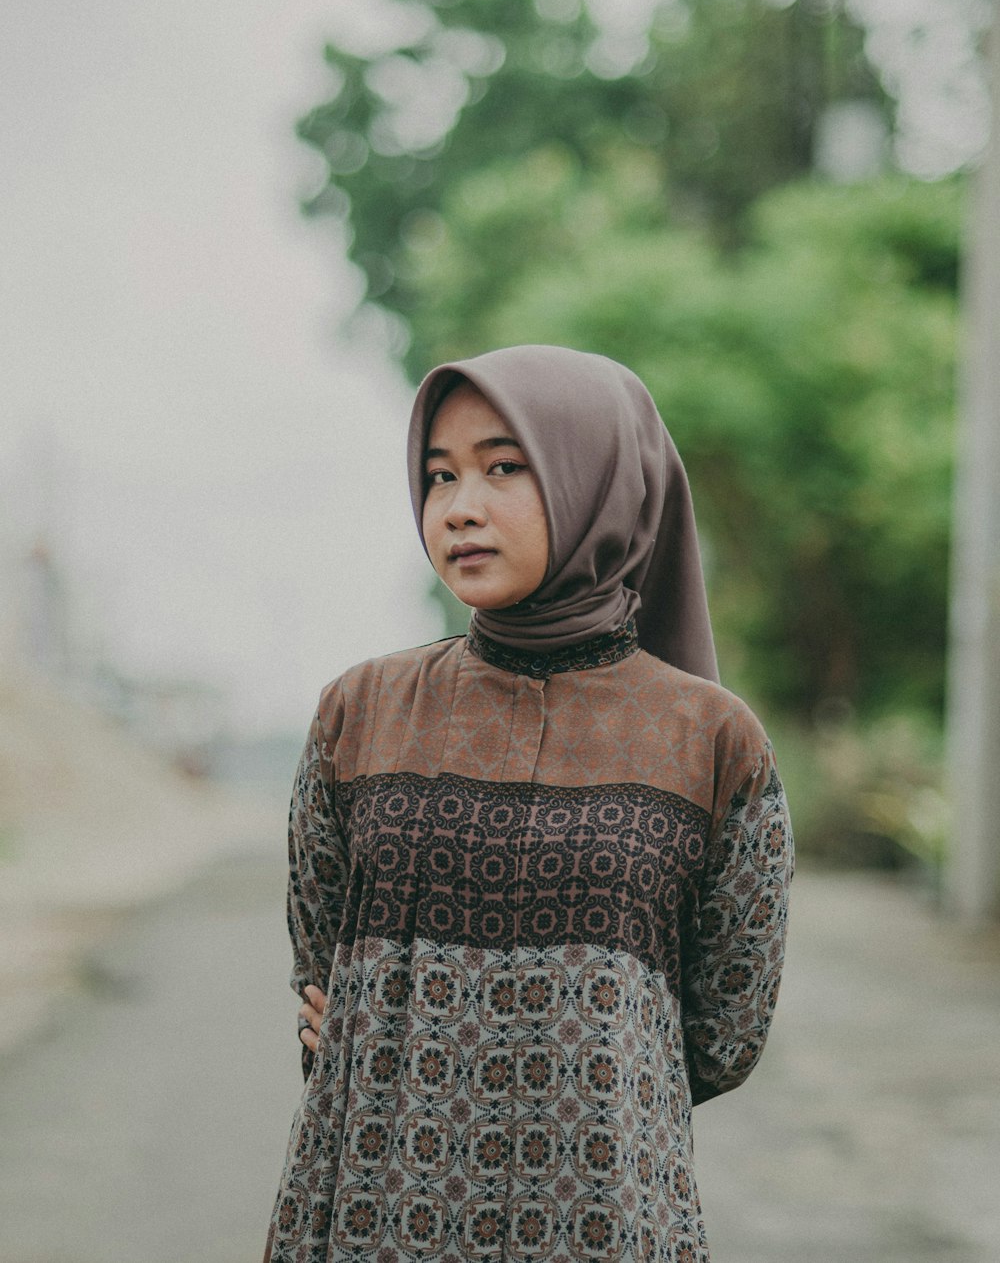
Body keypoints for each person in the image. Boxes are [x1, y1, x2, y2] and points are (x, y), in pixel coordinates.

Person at [263, 344, 793, 1263]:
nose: (459, 506)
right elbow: (321, 960)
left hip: (602, 1212)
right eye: (439, 476)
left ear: (599, 481)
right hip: (374, 1211)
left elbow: (725, 1027)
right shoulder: (362, 711)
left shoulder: (710, 738)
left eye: (504, 467)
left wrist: (581, 1065)